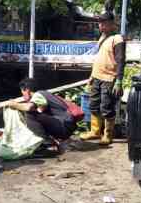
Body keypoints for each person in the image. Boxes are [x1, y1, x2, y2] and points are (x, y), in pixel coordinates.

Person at [80, 11, 125, 145]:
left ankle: (108, 135)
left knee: (106, 107)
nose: (101, 26)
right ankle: (95, 132)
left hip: (109, 79)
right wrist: (91, 76)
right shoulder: (102, 37)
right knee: (93, 105)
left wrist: (119, 80)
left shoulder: (117, 39)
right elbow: (99, 59)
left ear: (112, 24)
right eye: (100, 23)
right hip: (97, 77)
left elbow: (121, 60)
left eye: (104, 23)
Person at [8, 78, 77, 149]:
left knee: (30, 114)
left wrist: (14, 104)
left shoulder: (38, 95)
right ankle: (51, 141)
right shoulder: (44, 94)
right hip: (67, 126)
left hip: (64, 127)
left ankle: (48, 144)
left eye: (22, 92)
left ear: (27, 90)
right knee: (34, 115)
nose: (23, 95)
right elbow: (40, 114)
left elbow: (29, 108)